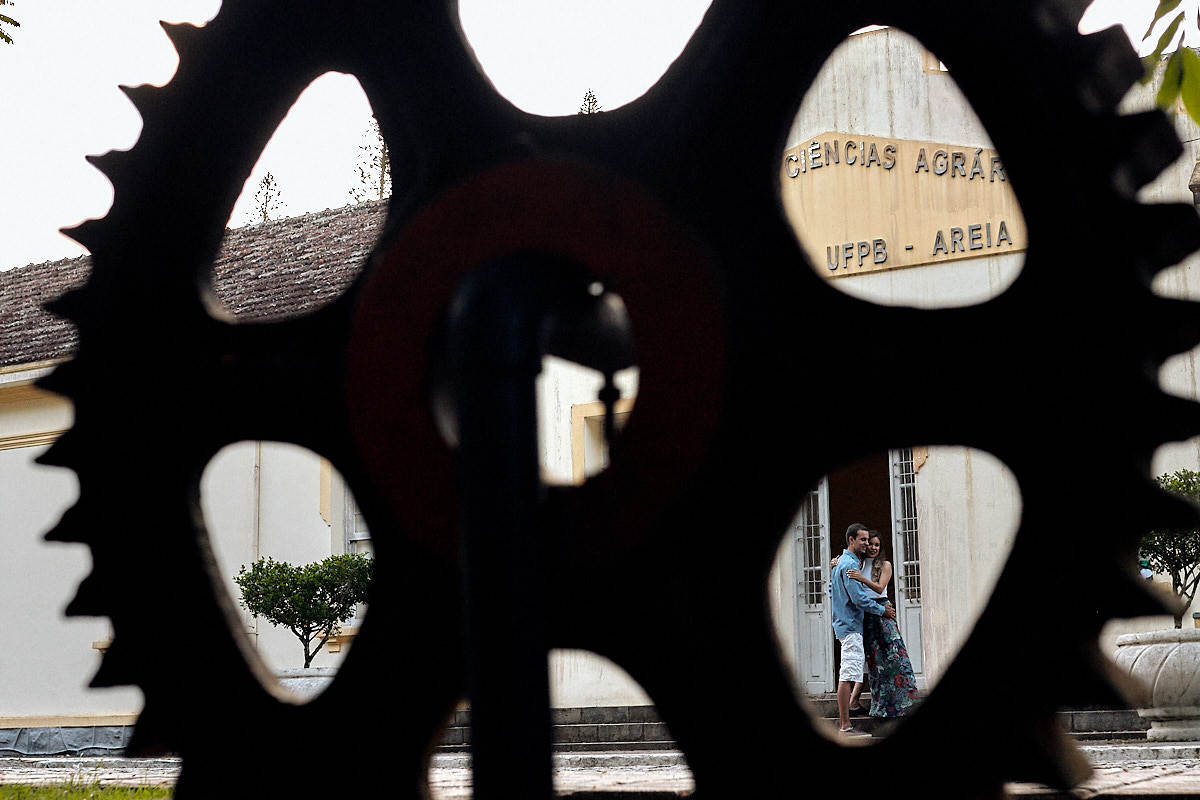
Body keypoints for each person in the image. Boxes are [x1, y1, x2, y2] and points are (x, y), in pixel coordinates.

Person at [846, 531, 920, 718]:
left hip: (882, 612)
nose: (873, 547)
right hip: (866, 615)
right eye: (870, 544)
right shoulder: (858, 563)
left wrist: (862, 578)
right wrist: (835, 563)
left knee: (894, 658)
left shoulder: (885, 565)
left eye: (877, 545)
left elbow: (879, 588)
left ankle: (903, 704)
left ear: (881, 547)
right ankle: (863, 704)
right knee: (872, 661)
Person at [831, 523, 895, 735]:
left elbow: (832, 590)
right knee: (847, 674)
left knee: (852, 671)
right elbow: (859, 598)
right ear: (851, 540)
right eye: (863, 540)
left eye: (869, 540)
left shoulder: (841, 563)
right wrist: (882, 610)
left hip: (846, 624)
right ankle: (845, 725)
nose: (867, 544)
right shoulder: (849, 565)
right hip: (850, 626)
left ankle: (848, 720)